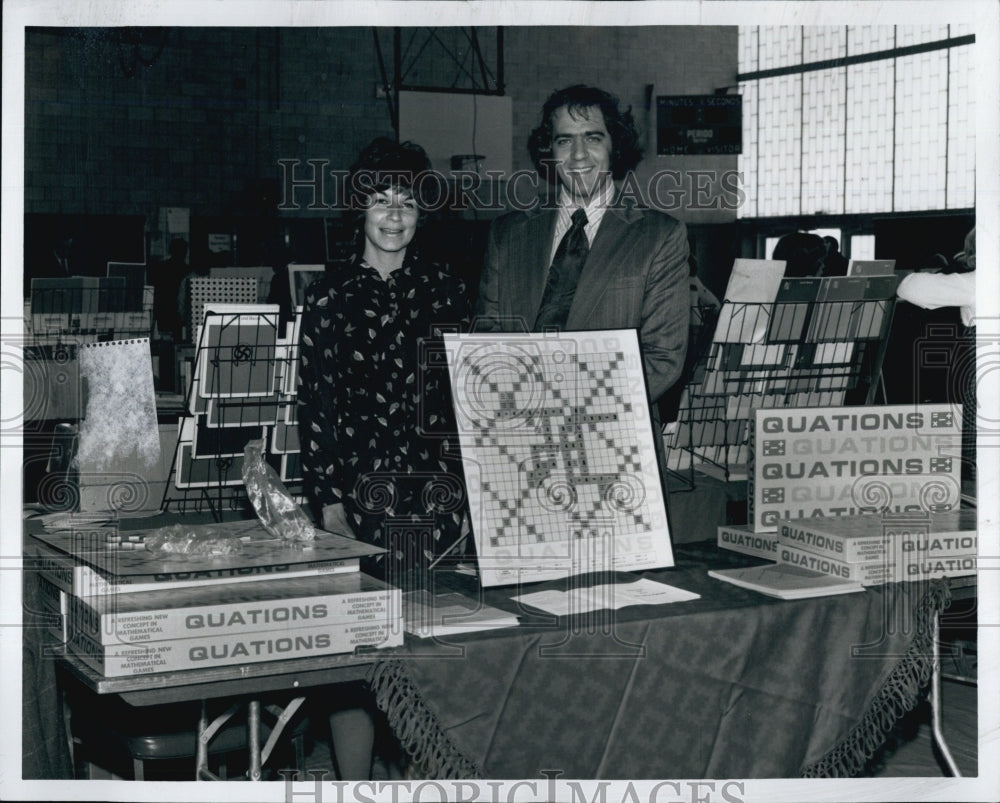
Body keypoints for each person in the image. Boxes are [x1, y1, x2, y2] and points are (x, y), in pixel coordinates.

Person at [297, 138, 470, 779]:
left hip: (434, 500)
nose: (394, 214)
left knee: (428, 651)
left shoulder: (447, 293)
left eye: (407, 201)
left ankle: (429, 781)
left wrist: (472, 496)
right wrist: (330, 506)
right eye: (380, 201)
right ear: (359, 212)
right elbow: (315, 406)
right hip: (357, 504)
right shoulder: (329, 296)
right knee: (358, 655)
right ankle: (354, 786)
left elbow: (463, 405)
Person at [475, 84, 690, 409]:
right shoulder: (507, 234)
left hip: (612, 437)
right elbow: (487, 336)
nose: (578, 154)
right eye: (564, 140)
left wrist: (565, 410)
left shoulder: (659, 237)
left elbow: (662, 358)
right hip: (519, 432)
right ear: (549, 150)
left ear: (614, 146)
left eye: (592, 137)